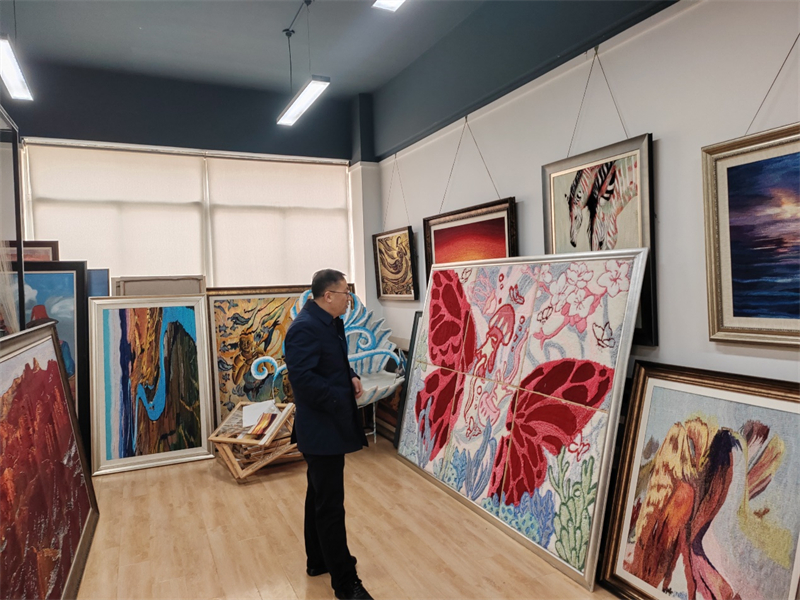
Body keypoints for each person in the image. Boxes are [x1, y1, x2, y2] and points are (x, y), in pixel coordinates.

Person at [284, 269, 373, 600]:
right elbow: (303, 379)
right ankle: (345, 583)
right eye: (346, 293)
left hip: (329, 425)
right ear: (328, 296)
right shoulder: (304, 328)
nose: (350, 299)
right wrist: (339, 398)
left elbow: (332, 361)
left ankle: (318, 560)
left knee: (318, 495)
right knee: (331, 505)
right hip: (321, 430)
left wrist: (350, 376)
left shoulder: (330, 321)